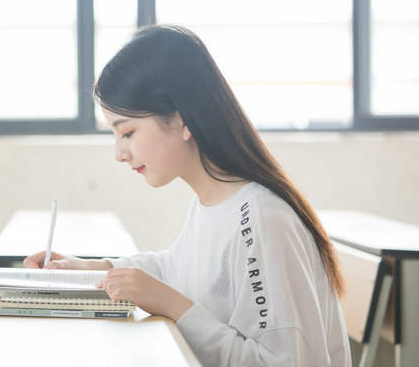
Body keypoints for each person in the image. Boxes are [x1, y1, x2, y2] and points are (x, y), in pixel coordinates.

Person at [24, 25, 352, 366]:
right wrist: (92, 268)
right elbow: (174, 267)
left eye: (127, 132)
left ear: (182, 120)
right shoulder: (213, 202)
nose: (119, 153)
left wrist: (174, 307)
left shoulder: (260, 219)